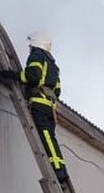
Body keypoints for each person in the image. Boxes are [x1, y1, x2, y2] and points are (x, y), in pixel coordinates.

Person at [20, 32, 69, 183]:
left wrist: (15, 75)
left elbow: (33, 75)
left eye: (30, 45)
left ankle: (58, 170)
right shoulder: (54, 66)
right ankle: (59, 167)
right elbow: (58, 90)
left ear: (35, 44)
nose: (29, 47)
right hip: (50, 107)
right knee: (50, 137)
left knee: (46, 137)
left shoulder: (37, 56)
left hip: (39, 103)